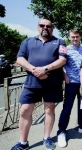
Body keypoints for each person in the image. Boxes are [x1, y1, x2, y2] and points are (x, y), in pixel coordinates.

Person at [11, 19, 67, 150]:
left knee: (49, 109)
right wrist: (34, 70)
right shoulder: (28, 41)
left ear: (52, 28)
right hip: (32, 82)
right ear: (38, 27)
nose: (45, 28)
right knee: (25, 110)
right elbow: (20, 58)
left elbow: (63, 59)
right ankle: (23, 143)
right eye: (42, 25)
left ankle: (46, 138)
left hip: (52, 83)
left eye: (48, 26)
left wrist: (45, 69)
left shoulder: (60, 42)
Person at [56, 29, 82, 148]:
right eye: (73, 37)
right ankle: (61, 131)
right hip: (70, 82)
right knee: (67, 107)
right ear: (69, 37)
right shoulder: (65, 49)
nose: (75, 39)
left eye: (77, 36)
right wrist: (63, 74)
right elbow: (58, 63)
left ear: (80, 37)